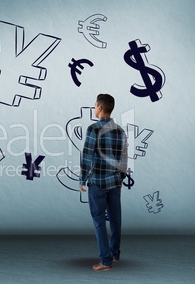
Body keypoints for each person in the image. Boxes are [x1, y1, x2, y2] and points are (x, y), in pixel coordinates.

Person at [79, 94, 128, 272]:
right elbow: (124, 157)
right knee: (115, 219)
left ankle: (106, 261)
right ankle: (115, 253)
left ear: (99, 108)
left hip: (98, 182)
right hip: (115, 182)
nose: (94, 108)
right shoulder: (120, 130)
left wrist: (82, 178)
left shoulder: (93, 129)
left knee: (99, 221)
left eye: (95, 105)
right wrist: (121, 178)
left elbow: (86, 155)